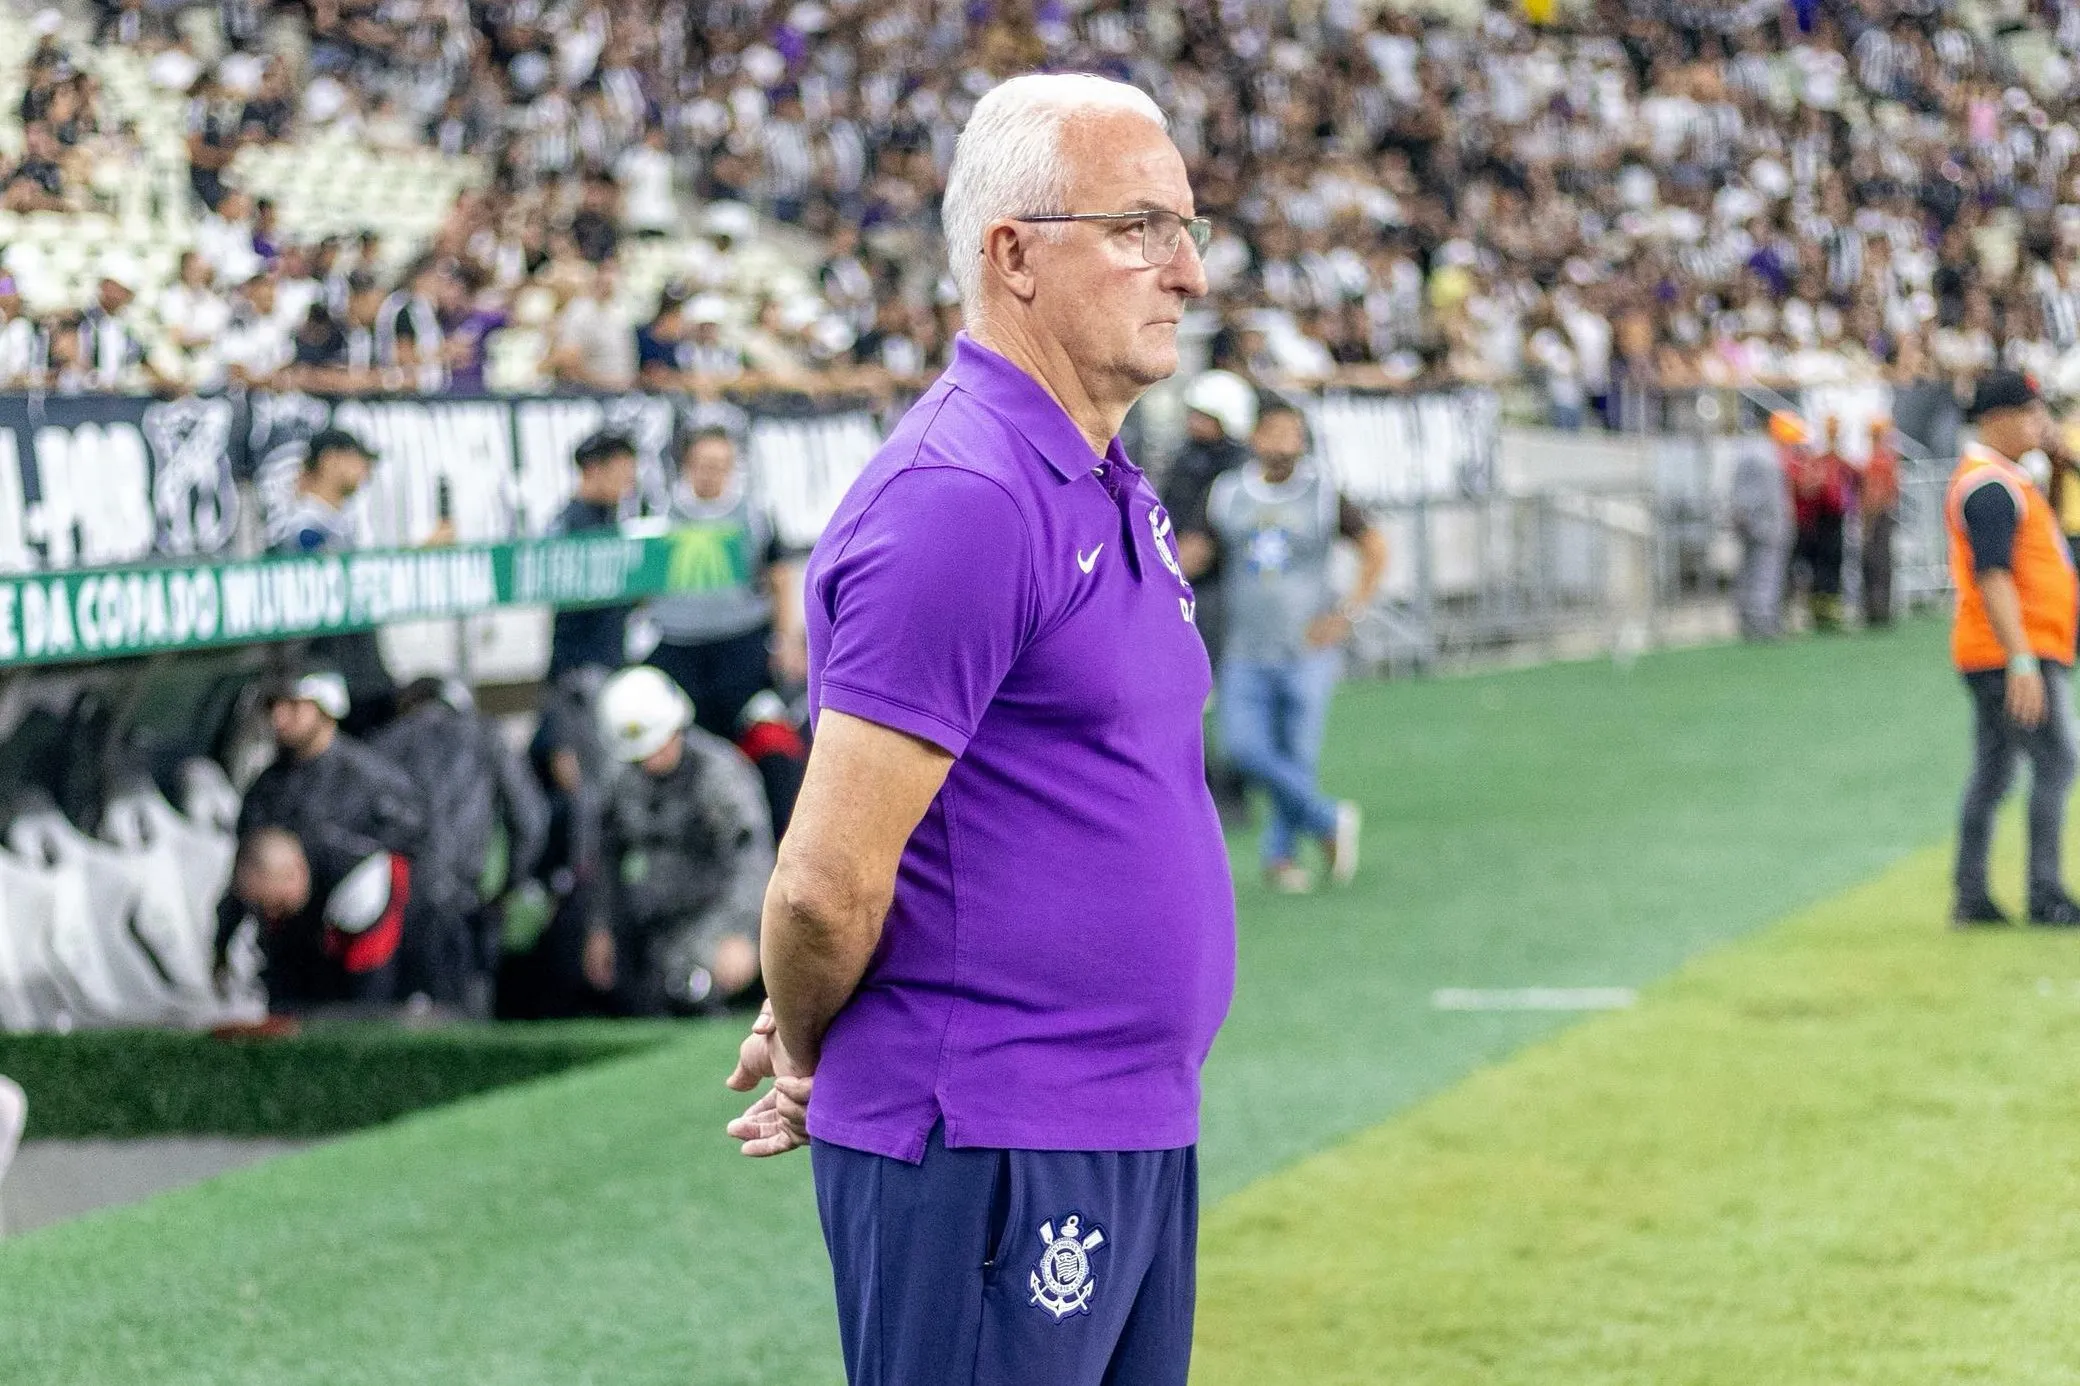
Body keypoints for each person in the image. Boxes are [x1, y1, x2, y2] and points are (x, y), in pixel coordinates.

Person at [724, 74, 1233, 1386]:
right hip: (991, 1129)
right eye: (1139, 227)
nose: (1185, 267)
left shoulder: (1107, 478)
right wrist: (809, 1040)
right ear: (1015, 252)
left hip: (1125, 1121)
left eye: (1184, 226)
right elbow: (825, 883)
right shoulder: (964, 497)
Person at [1191, 400, 1381, 892]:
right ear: (1254, 437)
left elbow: (1375, 549)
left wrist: (1348, 614)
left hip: (1307, 651)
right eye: (1271, 432)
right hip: (1245, 649)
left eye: (1290, 434)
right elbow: (1199, 550)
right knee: (1243, 748)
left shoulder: (1323, 493)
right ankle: (1327, 819)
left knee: (1295, 756)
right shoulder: (1229, 493)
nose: (1281, 444)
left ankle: (1280, 858)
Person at [214, 671, 445, 1007]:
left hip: (365, 951)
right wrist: (222, 942)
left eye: (292, 705)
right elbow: (246, 873)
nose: (278, 717)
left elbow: (420, 857)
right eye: (271, 706)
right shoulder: (265, 789)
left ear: (327, 708)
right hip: (288, 958)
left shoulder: (370, 779)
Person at [1946, 370, 2080, 927]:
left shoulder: (2005, 478)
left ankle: (1972, 895)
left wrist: (2056, 455)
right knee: (2055, 761)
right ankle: (2044, 892)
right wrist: (2022, 659)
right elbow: (1994, 575)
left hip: (2001, 649)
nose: (2041, 422)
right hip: (2011, 652)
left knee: (1995, 771)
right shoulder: (1991, 485)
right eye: (2029, 413)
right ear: (1998, 419)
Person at [585, 665, 771, 1015]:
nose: (652, 760)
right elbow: (604, 857)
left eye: (658, 745)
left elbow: (752, 861)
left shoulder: (721, 776)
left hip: (714, 923)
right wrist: (601, 928)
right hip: (651, 925)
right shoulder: (619, 780)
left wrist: (742, 934)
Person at [371, 678, 549, 1017]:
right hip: (470, 905)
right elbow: (530, 821)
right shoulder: (486, 737)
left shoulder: (385, 743)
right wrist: (507, 887)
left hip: (399, 907)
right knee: (469, 1017)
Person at [639, 426, 808, 741]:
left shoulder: (755, 514)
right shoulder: (659, 514)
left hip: (740, 644)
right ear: (688, 463)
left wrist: (786, 640)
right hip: (679, 644)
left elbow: (779, 576)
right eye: (704, 463)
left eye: (721, 465)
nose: (712, 473)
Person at [1165, 369, 1257, 822]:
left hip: (1219, 592)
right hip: (1190, 587)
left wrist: (1164, 573)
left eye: (1203, 414)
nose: (1192, 422)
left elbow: (1201, 545)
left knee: (1220, 698)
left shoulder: (1236, 469)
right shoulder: (1186, 459)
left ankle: (1231, 791)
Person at [269, 427, 396, 732]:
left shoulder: (335, 524)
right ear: (329, 461)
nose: (365, 469)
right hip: (331, 682)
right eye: (357, 459)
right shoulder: (303, 528)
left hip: (358, 679)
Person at [546, 430, 640, 681]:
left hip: (610, 656)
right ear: (594, 470)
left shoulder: (612, 518)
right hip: (579, 665)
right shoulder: (570, 524)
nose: (627, 485)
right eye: (621, 475)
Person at [1787, 413, 1850, 631]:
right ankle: (1818, 609)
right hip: (1816, 521)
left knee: (1830, 564)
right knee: (1817, 566)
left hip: (1831, 519)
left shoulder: (1833, 460)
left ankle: (1827, 608)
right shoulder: (1814, 462)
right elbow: (1808, 489)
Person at [1731, 430, 1794, 641]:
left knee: (1749, 573)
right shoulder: (1767, 459)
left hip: (1750, 524)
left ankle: (1748, 620)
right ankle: (1762, 621)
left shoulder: (1748, 454)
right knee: (1765, 575)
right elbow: (1769, 497)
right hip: (1767, 526)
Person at [1858, 417, 1901, 627]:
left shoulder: (1877, 460)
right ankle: (1880, 608)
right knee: (1882, 563)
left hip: (1877, 517)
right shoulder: (1887, 458)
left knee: (1874, 562)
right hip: (1886, 515)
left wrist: (1867, 522)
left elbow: (1874, 494)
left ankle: (1875, 609)